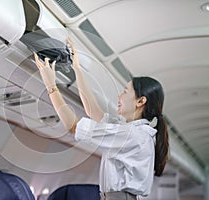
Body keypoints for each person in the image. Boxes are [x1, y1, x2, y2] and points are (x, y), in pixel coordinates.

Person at [34, 37, 169, 200]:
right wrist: (77, 68)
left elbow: (74, 127)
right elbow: (93, 111)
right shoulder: (130, 131)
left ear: (141, 101)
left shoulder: (132, 135)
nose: (119, 97)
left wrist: (51, 86)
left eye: (125, 92)